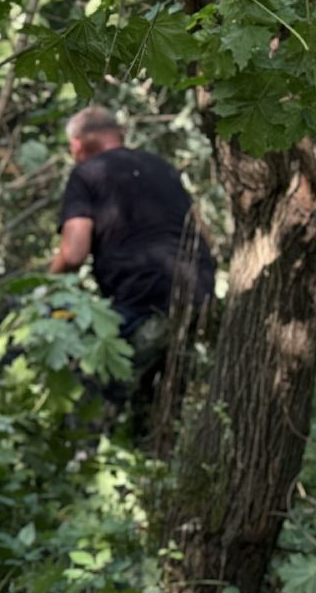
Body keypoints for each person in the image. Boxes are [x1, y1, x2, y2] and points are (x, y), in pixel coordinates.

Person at [47, 106, 214, 423]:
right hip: (199, 295)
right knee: (160, 408)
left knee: (87, 398)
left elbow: (73, 253)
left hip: (145, 300)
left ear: (79, 145)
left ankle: (80, 457)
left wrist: (43, 290)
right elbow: (201, 231)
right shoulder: (162, 167)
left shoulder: (87, 173)